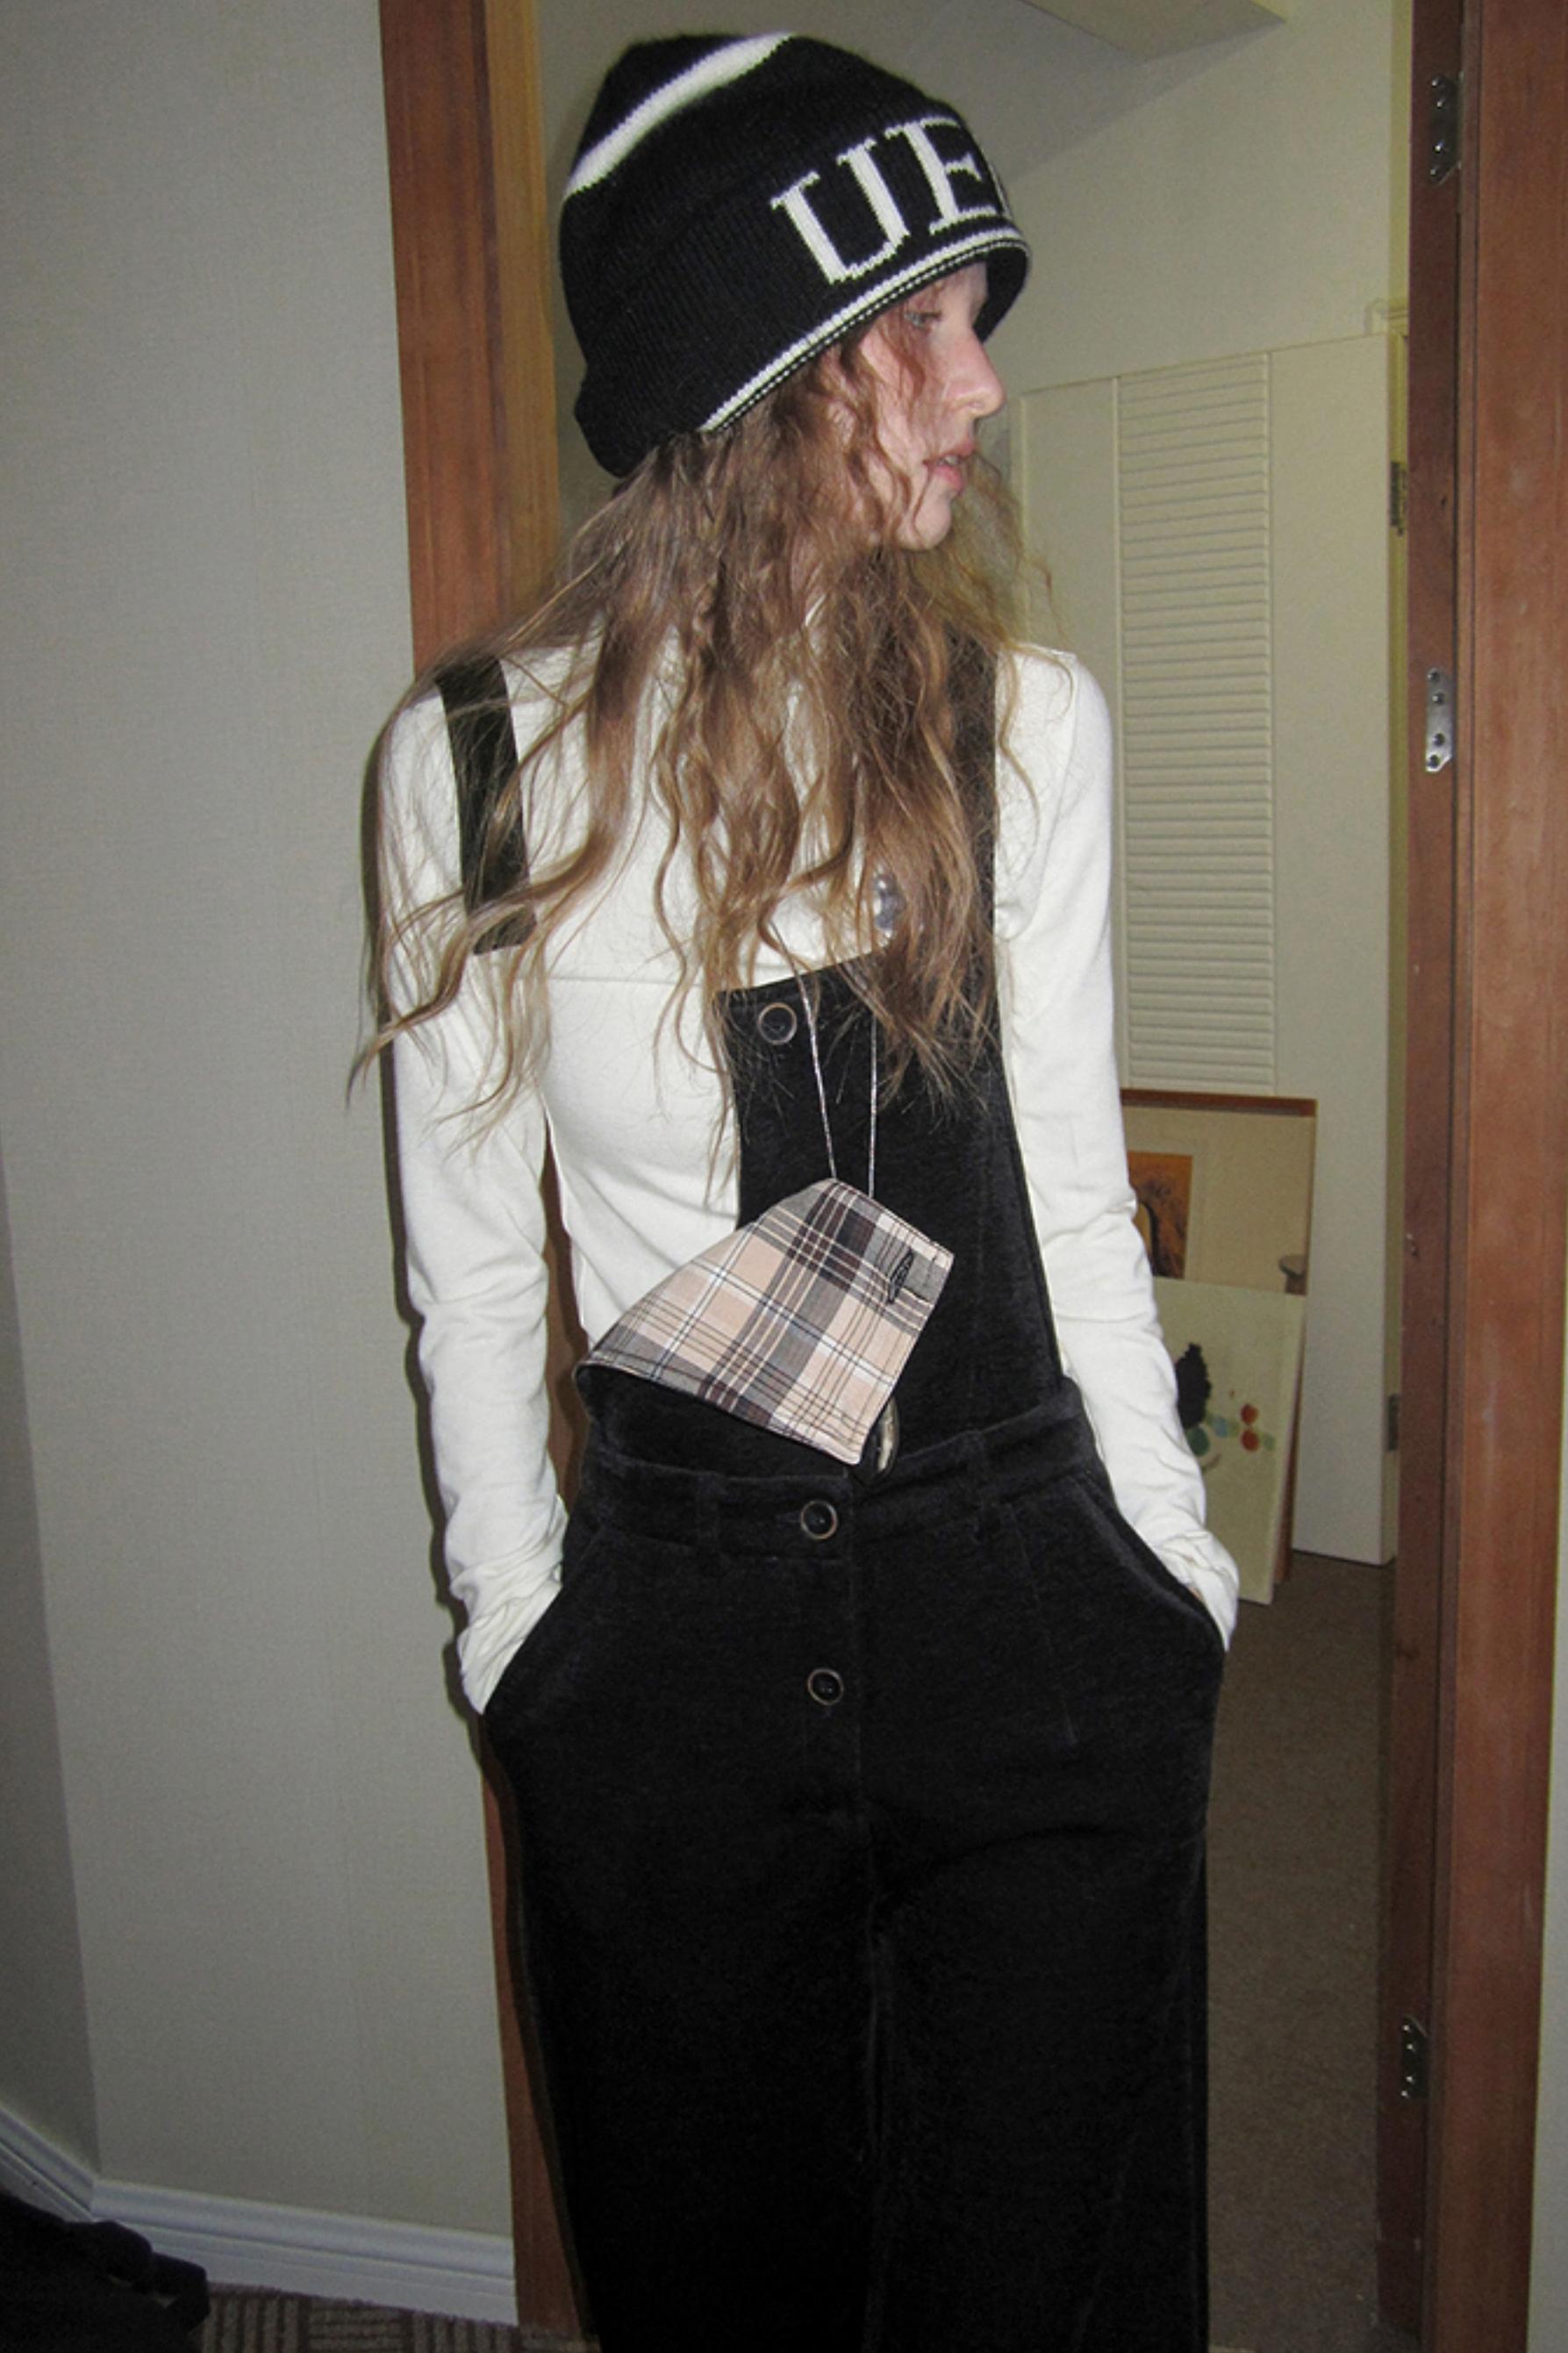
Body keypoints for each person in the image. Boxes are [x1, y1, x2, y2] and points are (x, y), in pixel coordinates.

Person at [369, 32, 1238, 2353]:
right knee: (720, 2288)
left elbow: (1068, 1195)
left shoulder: (1019, 728)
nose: (983, 384)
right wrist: (518, 1636)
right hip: (668, 1674)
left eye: (979, 319)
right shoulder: (474, 772)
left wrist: (1169, 1574)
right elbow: (475, 1265)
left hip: (1026, 1619)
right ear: (759, 368)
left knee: (1032, 2282)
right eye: (924, 322)